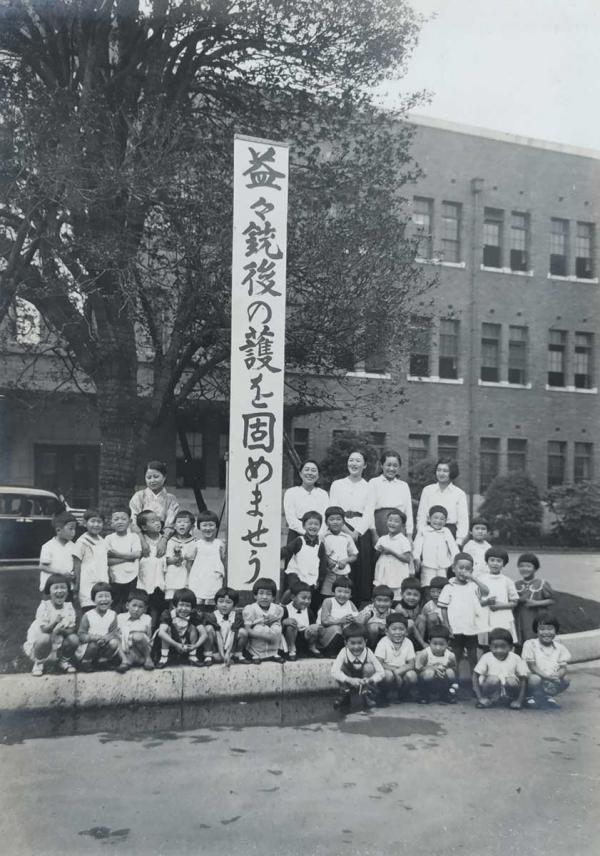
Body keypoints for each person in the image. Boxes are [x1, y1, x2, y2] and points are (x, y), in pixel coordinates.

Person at [328, 450, 372, 604]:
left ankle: (359, 603)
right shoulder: (337, 484)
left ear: (365, 465)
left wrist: (357, 532)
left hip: (361, 530)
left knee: (361, 567)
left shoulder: (369, 486)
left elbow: (369, 512)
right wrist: (346, 531)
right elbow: (333, 509)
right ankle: (339, 602)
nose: (354, 464)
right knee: (341, 565)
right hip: (340, 529)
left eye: (358, 461)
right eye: (351, 460)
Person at [438, 552, 489, 677]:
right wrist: (446, 626)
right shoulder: (448, 587)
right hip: (455, 629)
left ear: (472, 570)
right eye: (461, 568)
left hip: (471, 629)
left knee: (473, 656)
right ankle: (456, 683)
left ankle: (473, 683)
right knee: (456, 656)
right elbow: (443, 608)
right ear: (453, 568)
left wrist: (473, 578)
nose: (463, 571)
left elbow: (486, 591)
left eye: (467, 569)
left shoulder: (473, 586)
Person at [24, 574, 80, 676]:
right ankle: (39, 663)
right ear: (49, 591)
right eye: (56, 588)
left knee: (74, 639)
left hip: (59, 638)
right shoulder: (44, 606)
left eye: (63, 587)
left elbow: (72, 629)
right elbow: (44, 629)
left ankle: (63, 661)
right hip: (44, 638)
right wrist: (55, 622)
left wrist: (62, 631)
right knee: (45, 638)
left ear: (68, 591)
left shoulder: (69, 607)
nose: (59, 591)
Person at [129, 460, 179, 557]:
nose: (152, 480)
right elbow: (133, 521)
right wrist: (142, 541)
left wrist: (163, 540)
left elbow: (171, 523)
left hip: (165, 539)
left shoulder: (171, 499)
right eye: (149, 477)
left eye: (156, 477)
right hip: (140, 538)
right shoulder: (139, 496)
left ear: (164, 477)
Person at [330, 622, 384, 711]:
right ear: (346, 643)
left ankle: (366, 694)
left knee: (369, 667)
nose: (356, 647)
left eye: (360, 643)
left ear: (365, 642)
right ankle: (345, 693)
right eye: (352, 643)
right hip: (349, 678)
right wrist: (349, 680)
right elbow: (334, 671)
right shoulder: (344, 652)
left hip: (364, 680)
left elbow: (381, 672)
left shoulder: (368, 652)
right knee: (341, 668)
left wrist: (370, 680)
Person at [365, 451, 414, 549]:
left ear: (399, 467)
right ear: (382, 465)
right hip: (380, 525)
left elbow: (408, 511)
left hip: (399, 527)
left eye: (395, 466)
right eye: (388, 465)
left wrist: (409, 535)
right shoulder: (374, 483)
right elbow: (369, 510)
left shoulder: (403, 485)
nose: (391, 469)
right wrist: (374, 533)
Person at [280, 510, 328, 606]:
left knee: (306, 597)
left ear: (320, 527)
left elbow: (322, 563)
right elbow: (287, 550)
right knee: (293, 590)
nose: (313, 526)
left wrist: (320, 579)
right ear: (303, 526)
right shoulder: (299, 540)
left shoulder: (320, 545)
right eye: (310, 524)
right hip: (296, 573)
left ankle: (304, 615)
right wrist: (279, 553)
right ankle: (282, 605)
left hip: (311, 576)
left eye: (316, 524)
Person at [473, 627, 528, 710]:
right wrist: (480, 698)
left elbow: (523, 679)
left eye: (503, 647)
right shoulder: (486, 657)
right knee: (493, 679)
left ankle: (511, 699)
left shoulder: (516, 658)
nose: (499, 650)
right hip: (491, 689)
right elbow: (475, 676)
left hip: (509, 689)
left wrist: (519, 700)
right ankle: (489, 699)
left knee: (511, 681)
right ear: (490, 646)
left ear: (510, 647)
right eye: (495, 647)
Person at [416, 457, 469, 544]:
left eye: (445, 471)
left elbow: (463, 520)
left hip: (450, 533)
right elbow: (421, 516)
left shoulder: (459, 494)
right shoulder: (428, 490)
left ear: (452, 472)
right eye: (439, 470)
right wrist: (421, 535)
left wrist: (459, 540)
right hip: (429, 532)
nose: (441, 473)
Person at [522, 614, 571, 708]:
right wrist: (547, 677)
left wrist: (557, 675)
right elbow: (532, 666)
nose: (546, 632)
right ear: (536, 631)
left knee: (566, 679)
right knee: (535, 679)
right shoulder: (530, 644)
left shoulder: (559, 647)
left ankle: (546, 696)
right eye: (542, 629)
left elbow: (563, 668)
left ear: (556, 630)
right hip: (535, 676)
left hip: (550, 678)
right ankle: (531, 696)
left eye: (550, 629)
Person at [77, 582, 125, 671]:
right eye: (100, 596)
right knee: (93, 646)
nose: (104, 599)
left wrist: (106, 638)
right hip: (90, 645)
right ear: (93, 600)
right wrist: (94, 638)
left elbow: (113, 632)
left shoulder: (112, 614)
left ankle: (102, 661)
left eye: (107, 596)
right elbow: (81, 634)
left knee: (114, 643)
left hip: (104, 644)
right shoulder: (88, 615)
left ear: (112, 599)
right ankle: (86, 661)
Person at [476, 547, 519, 646]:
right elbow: (475, 600)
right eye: (492, 560)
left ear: (504, 564)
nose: (495, 563)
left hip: (502, 616)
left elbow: (515, 602)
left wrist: (498, 606)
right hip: (485, 615)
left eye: (499, 561)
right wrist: (487, 602)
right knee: (486, 644)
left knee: (502, 641)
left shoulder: (507, 581)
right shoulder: (481, 579)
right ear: (487, 562)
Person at [156, 587, 208, 667]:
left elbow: (204, 634)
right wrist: (177, 644)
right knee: (166, 629)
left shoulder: (193, 615)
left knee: (193, 627)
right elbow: (161, 633)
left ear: (192, 608)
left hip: (188, 646)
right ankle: (164, 657)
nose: (184, 608)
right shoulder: (167, 614)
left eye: (187, 606)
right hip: (172, 646)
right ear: (174, 605)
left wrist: (196, 645)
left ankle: (192, 656)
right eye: (181, 605)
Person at [105, 506, 143, 613]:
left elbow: (137, 554)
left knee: (129, 605)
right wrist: (127, 558)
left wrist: (116, 554)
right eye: (116, 519)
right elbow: (107, 560)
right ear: (111, 522)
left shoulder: (133, 537)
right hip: (115, 577)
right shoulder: (109, 538)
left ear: (130, 521)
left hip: (132, 577)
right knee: (115, 606)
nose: (120, 522)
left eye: (123, 519)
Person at [412, 505, 459, 587]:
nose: (438, 521)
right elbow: (417, 545)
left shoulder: (446, 531)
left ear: (445, 521)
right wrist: (416, 557)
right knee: (427, 584)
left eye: (442, 519)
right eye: (435, 518)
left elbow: (453, 547)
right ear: (429, 519)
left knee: (442, 584)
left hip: (443, 565)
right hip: (428, 564)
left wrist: (455, 560)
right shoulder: (424, 530)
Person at [514, 552, 555, 646]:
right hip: (520, 618)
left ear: (535, 568)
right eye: (521, 566)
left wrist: (536, 603)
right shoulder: (515, 584)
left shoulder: (542, 583)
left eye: (528, 566)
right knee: (521, 642)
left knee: (535, 640)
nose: (524, 569)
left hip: (536, 617)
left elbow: (552, 600)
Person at [375, 613, 417, 703]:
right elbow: (379, 663)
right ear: (386, 631)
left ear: (406, 632)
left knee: (412, 675)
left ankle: (403, 693)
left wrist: (398, 672)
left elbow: (411, 664)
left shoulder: (408, 642)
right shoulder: (383, 642)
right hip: (388, 671)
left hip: (401, 671)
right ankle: (383, 694)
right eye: (394, 629)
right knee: (388, 675)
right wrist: (394, 671)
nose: (397, 632)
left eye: (401, 629)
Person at [283, 460, 329, 544]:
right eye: (307, 469)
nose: (310, 473)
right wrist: (308, 532)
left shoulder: (323, 494)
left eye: (313, 470)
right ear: (300, 473)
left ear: (318, 475)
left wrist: (318, 534)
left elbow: (325, 517)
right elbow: (291, 518)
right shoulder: (291, 492)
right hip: (296, 534)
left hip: (318, 535)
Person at [136, 510, 167, 630]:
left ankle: (154, 636)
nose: (157, 523)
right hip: (144, 581)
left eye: (158, 520)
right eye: (153, 521)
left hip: (160, 581)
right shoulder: (140, 540)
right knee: (143, 608)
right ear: (144, 527)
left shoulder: (164, 539)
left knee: (156, 610)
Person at [242, 578, 285, 663]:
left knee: (276, 627)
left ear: (273, 597)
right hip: (256, 639)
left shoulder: (277, 609)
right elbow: (247, 629)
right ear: (255, 595)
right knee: (259, 627)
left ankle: (274, 653)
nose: (264, 597)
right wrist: (264, 636)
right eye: (261, 593)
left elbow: (279, 622)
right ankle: (255, 654)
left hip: (273, 639)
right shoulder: (251, 609)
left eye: (269, 594)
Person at [188, 510, 225, 607]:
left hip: (214, 577)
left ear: (216, 526)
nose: (208, 528)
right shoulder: (196, 544)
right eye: (204, 525)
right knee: (198, 601)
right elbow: (189, 563)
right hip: (199, 576)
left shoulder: (220, 543)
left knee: (212, 600)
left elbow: (223, 560)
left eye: (211, 525)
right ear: (199, 527)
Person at [373, 509, 413, 599]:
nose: (392, 523)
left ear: (402, 525)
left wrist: (391, 552)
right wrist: (378, 551)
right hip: (383, 572)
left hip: (397, 573)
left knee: (396, 597)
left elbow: (407, 559)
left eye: (396, 521)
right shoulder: (382, 539)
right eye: (390, 520)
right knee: (382, 594)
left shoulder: (404, 540)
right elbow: (376, 555)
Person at [315, 576, 359, 657]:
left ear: (351, 595)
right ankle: (329, 651)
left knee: (351, 628)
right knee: (337, 628)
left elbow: (357, 618)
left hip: (341, 635)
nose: (342, 595)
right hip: (324, 633)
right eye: (339, 591)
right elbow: (324, 621)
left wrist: (353, 619)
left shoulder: (350, 603)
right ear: (333, 592)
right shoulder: (328, 601)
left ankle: (345, 650)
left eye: (346, 592)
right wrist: (340, 621)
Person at [320, 506, 358, 597]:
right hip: (328, 573)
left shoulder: (347, 537)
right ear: (326, 522)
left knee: (342, 594)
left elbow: (354, 555)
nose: (335, 522)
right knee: (326, 595)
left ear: (343, 522)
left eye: (338, 519)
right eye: (332, 519)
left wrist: (345, 561)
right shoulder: (323, 537)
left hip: (343, 573)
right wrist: (328, 560)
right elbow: (319, 553)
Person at [75, 509, 109, 612]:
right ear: (85, 523)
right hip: (87, 583)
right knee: (89, 612)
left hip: (102, 581)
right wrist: (76, 586)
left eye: (99, 522)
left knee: (102, 612)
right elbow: (77, 564)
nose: (96, 524)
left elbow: (104, 560)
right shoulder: (82, 542)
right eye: (93, 521)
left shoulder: (103, 541)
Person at [415, 625, 458, 704]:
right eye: (434, 644)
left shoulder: (450, 655)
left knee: (450, 673)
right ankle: (424, 694)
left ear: (448, 643)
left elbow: (454, 669)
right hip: (428, 678)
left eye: (441, 644)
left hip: (441, 679)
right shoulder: (425, 653)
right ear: (429, 642)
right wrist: (432, 669)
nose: (438, 647)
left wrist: (445, 670)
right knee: (429, 673)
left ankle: (445, 694)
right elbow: (418, 668)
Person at [38, 510, 79, 593]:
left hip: (67, 587)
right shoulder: (48, 546)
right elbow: (42, 566)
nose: (73, 532)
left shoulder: (74, 546)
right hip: (50, 587)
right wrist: (61, 572)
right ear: (59, 530)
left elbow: (75, 565)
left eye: (74, 529)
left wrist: (74, 575)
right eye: (71, 529)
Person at [116, 589, 154, 671]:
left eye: (140, 607)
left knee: (138, 636)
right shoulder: (120, 617)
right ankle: (125, 661)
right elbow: (118, 636)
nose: (136, 609)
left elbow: (148, 636)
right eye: (134, 605)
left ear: (145, 609)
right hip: (127, 651)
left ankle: (148, 659)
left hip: (141, 651)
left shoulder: (147, 619)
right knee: (115, 637)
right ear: (127, 605)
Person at [281, 581, 320, 660]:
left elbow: (312, 624)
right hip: (291, 637)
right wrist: (284, 622)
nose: (306, 601)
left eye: (309, 599)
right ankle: (291, 649)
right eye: (303, 598)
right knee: (290, 625)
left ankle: (311, 647)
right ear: (293, 597)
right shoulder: (285, 610)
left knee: (315, 628)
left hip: (304, 636)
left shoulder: (309, 611)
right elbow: (278, 625)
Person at [165, 510, 197, 603]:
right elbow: (167, 560)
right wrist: (177, 558)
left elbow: (194, 560)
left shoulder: (194, 542)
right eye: (179, 522)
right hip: (173, 575)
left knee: (185, 600)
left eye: (186, 522)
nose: (182, 525)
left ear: (192, 526)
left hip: (186, 575)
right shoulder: (171, 541)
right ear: (174, 525)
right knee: (172, 600)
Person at [210, 587, 249, 665]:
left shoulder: (236, 617)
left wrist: (228, 653)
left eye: (228, 602)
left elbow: (233, 635)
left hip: (232, 646)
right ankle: (213, 655)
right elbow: (218, 636)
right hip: (218, 647)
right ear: (216, 603)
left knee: (243, 632)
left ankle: (237, 654)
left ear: (234, 604)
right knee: (208, 629)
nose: (224, 605)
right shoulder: (213, 616)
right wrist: (222, 655)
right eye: (221, 602)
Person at [357, 584, 395, 650]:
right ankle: (371, 649)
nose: (382, 604)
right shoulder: (369, 610)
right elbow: (358, 625)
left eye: (386, 601)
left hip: (385, 638)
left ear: (391, 602)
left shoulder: (392, 612)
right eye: (379, 600)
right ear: (373, 600)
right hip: (370, 639)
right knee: (373, 627)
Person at [393, 577, 427, 650]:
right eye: (408, 594)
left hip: (414, 634)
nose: (412, 597)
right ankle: (419, 644)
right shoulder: (400, 608)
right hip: (400, 633)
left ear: (420, 596)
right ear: (401, 594)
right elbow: (411, 625)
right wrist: (423, 643)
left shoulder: (417, 605)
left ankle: (418, 647)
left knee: (422, 618)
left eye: (415, 595)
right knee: (410, 623)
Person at [418, 576, 447, 642]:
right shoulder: (428, 605)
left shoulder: (450, 605)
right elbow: (423, 620)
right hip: (432, 631)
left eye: (439, 592)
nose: (435, 594)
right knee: (431, 616)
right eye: (432, 591)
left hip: (447, 631)